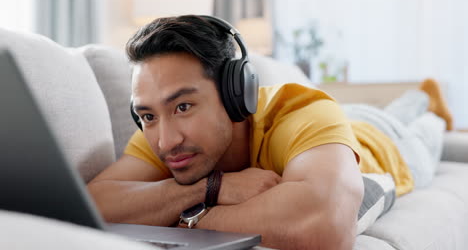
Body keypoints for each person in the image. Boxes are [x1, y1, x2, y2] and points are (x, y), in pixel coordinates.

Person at [87, 15, 453, 250]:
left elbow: (325, 224)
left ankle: (430, 104)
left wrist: (183, 215)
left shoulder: (300, 108)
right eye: (147, 116)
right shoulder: (165, 130)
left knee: (419, 125)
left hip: (387, 142)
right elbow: (91, 203)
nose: (165, 142)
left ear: (235, 94)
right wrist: (211, 188)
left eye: (183, 107)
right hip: (334, 130)